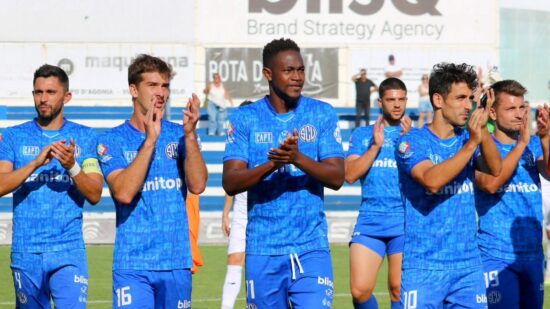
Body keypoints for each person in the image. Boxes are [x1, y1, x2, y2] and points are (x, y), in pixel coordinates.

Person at [222, 38, 345, 308]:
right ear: (268, 74)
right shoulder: (245, 118)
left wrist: (297, 158)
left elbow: (337, 177)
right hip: (263, 250)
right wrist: (273, 164)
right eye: (289, 71)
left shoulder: (322, 114)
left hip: (311, 248)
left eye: (301, 70)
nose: (297, 77)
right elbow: (230, 182)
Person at [96, 54, 207, 308]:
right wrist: (149, 141)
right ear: (134, 90)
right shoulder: (112, 140)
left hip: (176, 262)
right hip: (133, 265)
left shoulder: (180, 134)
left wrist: (190, 135)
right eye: (152, 85)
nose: (161, 93)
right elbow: (123, 192)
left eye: (165, 86)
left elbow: (198, 185)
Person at [395, 62, 502, 308]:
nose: (468, 105)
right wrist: (472, 143)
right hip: (423, 267)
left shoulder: (469, 138)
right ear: (438, 100)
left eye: (471, 99)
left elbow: (495, 169)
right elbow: (432, 181)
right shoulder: (411, 142)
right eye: (461, 98)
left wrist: (483, 129)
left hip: (468, 268)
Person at [0, 64, 103, 308]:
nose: (43, 99)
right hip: (27, 252)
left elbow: (95, 193)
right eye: (38, 92)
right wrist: (34, 164)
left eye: (51, 92)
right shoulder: (13, 136)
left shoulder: (86, 137)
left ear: (66, 96)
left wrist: (72, 166)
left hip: (69, 251)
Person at [474, 80, 549, 309]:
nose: (519, 114)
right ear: (493, 114)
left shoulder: (533, 145)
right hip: (496, 254)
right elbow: (491, 184)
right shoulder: (481, 146)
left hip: (533, 254)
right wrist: (521, 144)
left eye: (522, 107)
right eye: (511, 108)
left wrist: (545, 139)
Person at [345, 77, 412, 309]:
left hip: (403, 222)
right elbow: (350, 174)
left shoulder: (416, 135)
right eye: (391, 100)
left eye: (401, 99)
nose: (397, 105)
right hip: (370, 221)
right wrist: (375, 146)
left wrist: (409, 142)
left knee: (397, 288)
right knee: (359, 291)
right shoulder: (362, 135)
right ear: (379, 102)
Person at [221, 192, 247, 309]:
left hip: (263, 209)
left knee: (257, 263)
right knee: (234, 259)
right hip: (240, 213)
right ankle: (226, 306)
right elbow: (229, 186)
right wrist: (225, 214)